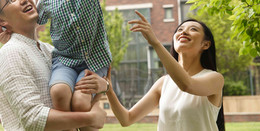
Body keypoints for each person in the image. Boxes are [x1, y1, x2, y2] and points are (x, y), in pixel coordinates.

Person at [37, 0, 128, 131]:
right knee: (59, 93)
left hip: (93, 59)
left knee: (80, 102)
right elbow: (33, 21)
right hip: (65, 60)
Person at [0, 0, 109, 131]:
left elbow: (81, 97)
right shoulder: (11, 52)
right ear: (2, 21)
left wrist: (103, 86)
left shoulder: (51, 51)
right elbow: (32, 118)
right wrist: (89, 119)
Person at [76, 10, 225, 131]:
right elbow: (127, 119)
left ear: (205, 45)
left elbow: (187, 85)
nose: (183, 32)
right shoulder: (163, 83)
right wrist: (109, 89)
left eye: (193, 29)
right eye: (179, 30)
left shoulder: (215, 79)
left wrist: (155, 42)